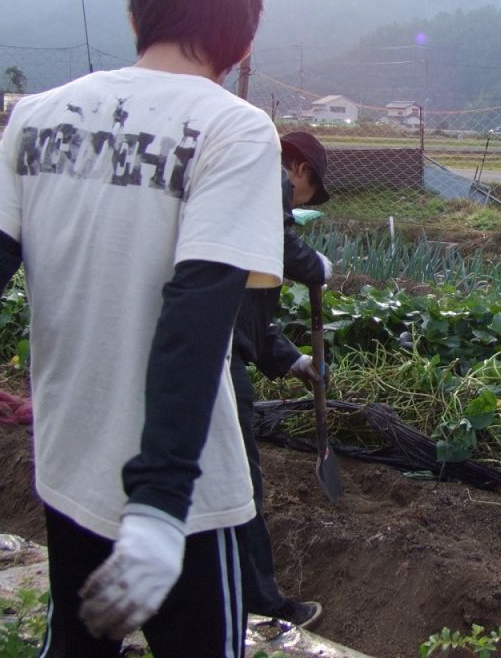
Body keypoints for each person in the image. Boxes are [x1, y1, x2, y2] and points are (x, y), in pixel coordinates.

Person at [0, 0, 285, 657]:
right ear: (241, 46)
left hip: (69, 463)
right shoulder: (233, 130)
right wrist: (159, 504)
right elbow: (195, 318)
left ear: (136, 17)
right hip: (183, 500)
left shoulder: (36, 115)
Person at [231, 131, 332, 628]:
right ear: (301, 171)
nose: (296, 207)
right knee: (238, 481)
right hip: (213, 361)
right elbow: (282, 247)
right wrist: (315, 266)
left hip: (205, 343)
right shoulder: (267, 176)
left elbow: (245, 308)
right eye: (304, 196)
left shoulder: (238, 200)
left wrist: (295, 362)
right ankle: (259, 601)